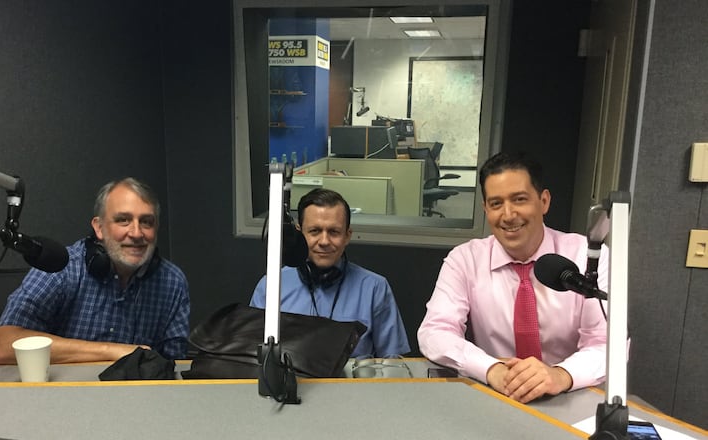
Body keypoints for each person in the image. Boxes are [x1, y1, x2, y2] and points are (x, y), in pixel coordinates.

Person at [417, 151, 607, 403]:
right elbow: (435, 331)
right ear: (485, 209)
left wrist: (560, 375)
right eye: (496, 204)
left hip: (570, 397)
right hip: (497, 394)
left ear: (544, 201)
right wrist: (490, 368)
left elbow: (606, 342)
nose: (508, 215)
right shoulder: (465, 259)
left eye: (519, 199)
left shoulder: (589, 257)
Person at [0, 177, 190, 364]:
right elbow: (4, 345)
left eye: (146, 222)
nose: (136, 233)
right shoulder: (62, 268)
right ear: (99, 228)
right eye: (123, 220)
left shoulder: (172, 282)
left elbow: (176, 362)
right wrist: (113, 351)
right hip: (64, 393)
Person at [250, 188, 410, 358]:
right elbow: (251, 354)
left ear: (347, 236)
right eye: (315, 231)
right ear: (299, 233)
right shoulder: (272, 286)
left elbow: (393, 363)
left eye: (334, 232)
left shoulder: (375, 288)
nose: (324, 241)